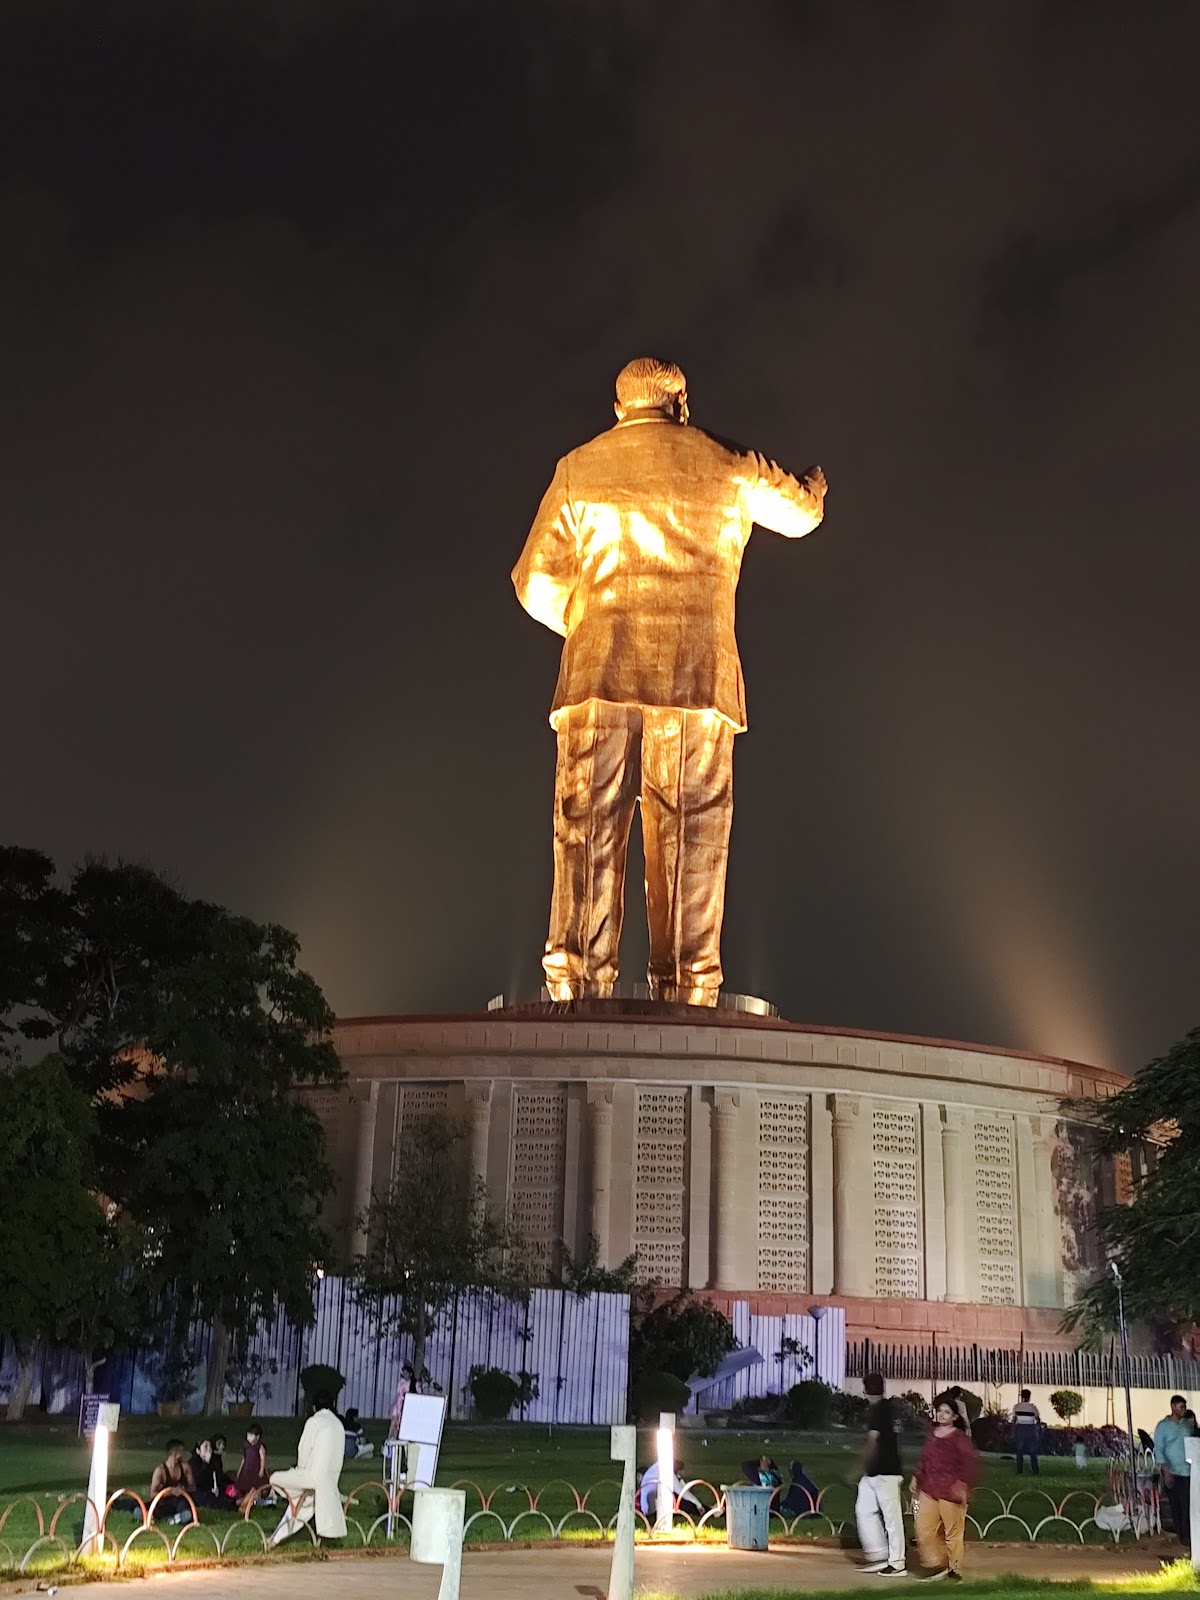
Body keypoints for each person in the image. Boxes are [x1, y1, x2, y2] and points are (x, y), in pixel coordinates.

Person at [512, 356, 827, 1005]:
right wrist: (813, 490)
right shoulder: (726, 462)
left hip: (597, 675)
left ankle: (575, 983)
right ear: (681, 404)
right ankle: (689, 991)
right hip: (696, 679)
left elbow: (533, 580)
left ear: (620, 408)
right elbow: (800, 517)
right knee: (692, 833)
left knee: (586, 827)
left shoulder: (579, 469)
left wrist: (590, 621)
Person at [910, 1399, 979, 1581]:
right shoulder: (932, 1434)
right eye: (939, 1410)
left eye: (946, 1412)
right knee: (923, 1528)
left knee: (953, 1533)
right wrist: (916, 1477)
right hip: (929, 1488)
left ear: (955, 1417)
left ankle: (954, 1568)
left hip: (951, 1492)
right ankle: (936, 1563)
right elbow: (924, 1459)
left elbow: (969, 1464)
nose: (941, 1414)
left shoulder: (959, 1438)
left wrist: (962, 1485)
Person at [268, 1391, 349, 1544]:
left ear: (313, 1407)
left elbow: (303, 1449)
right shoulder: (338, 1424)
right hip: (329, 1480)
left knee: (274, 1478)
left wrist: (299, 1469)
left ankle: (291, 1497)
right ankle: (274, 1539)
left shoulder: (314, 1421)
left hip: (311, 1477)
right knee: (302, 1507)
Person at [856, 1371, 906, 1577]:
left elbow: (872, 1441)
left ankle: (897, 1562)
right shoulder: (883, 1408)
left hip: (885, 1471)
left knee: (891, 1518)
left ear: (865, 1390)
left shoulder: (879, 1411)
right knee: (864, 1510)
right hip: (876, 1472)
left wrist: (859, 1465)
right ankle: (879, 1554)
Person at [1154, 1394, 1193, 1546]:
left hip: (1188, 1471)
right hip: (1172, 1471)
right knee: (1176, 1505)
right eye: (1180, 1407)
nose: (1183, 1410)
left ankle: (1187, 1535)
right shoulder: (1163, 1426)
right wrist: (1166, 1470)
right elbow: (1160, 1449)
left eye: (1184, 1407)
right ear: (1173, 1406)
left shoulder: (1186, 1425)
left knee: (1186, 1504)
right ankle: (1181, 1533)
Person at [638, 1458, 704, 1519]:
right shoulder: (665, 1470)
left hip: (646, 1508)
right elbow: (681, 1492)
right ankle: (705, 1511)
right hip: (652, 1511)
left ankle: (707, 1510)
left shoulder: (654, 1468)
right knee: (685, 1502)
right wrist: (698, 1504)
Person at [149, 1439, 195, 1525]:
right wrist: (170, 1492)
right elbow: (152, 1494)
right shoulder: (160, 1471)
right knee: (149, 1510)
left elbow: (192, 1487)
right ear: (174, 1452)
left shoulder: (185, 1467)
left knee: (187, 1512)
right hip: (165, 1502)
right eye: (182, 1450)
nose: (184, 1453)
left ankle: (173, 1519)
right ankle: (173, 1518)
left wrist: (183, 1490)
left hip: (180, 1502)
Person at [233, 1422, 274, 1512]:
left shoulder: (260, 1447)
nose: (249, 1437)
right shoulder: (246, 1446)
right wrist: (240, 1469)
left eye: (251, 1435)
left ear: (257, 1436)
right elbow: (244, 1458)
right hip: (247, 1470)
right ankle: (245, 1499)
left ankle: (253, 1499)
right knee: (246, 1485)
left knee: (256, 1486)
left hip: (255, 1470)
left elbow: (263, 1459)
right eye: (248, 1435)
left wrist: (261, 1470)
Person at [1011, 1390, 1042, 1476]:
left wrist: (1013, 1431)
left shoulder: (1017, 1407)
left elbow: (1014, 1420)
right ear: (1029, 1397)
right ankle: (1035, 1470)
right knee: (1032, 1452)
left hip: (1020, 1429)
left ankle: (1019, 1470)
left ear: (1022, 1397)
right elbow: (1038, 1420)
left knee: (1019, 1451)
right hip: (1030, 1429)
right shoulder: (1033, 1408)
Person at [188, 1438, 222, 1508]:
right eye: (206, 1447)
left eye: (210, 1447)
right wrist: (206, 1463)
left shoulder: (213, 1461)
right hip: (197, 1492)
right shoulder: (192, 1463)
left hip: (209, 1490)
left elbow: (218, 1475)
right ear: (198, 1451)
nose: (209, 1449)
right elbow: (198, 1480)